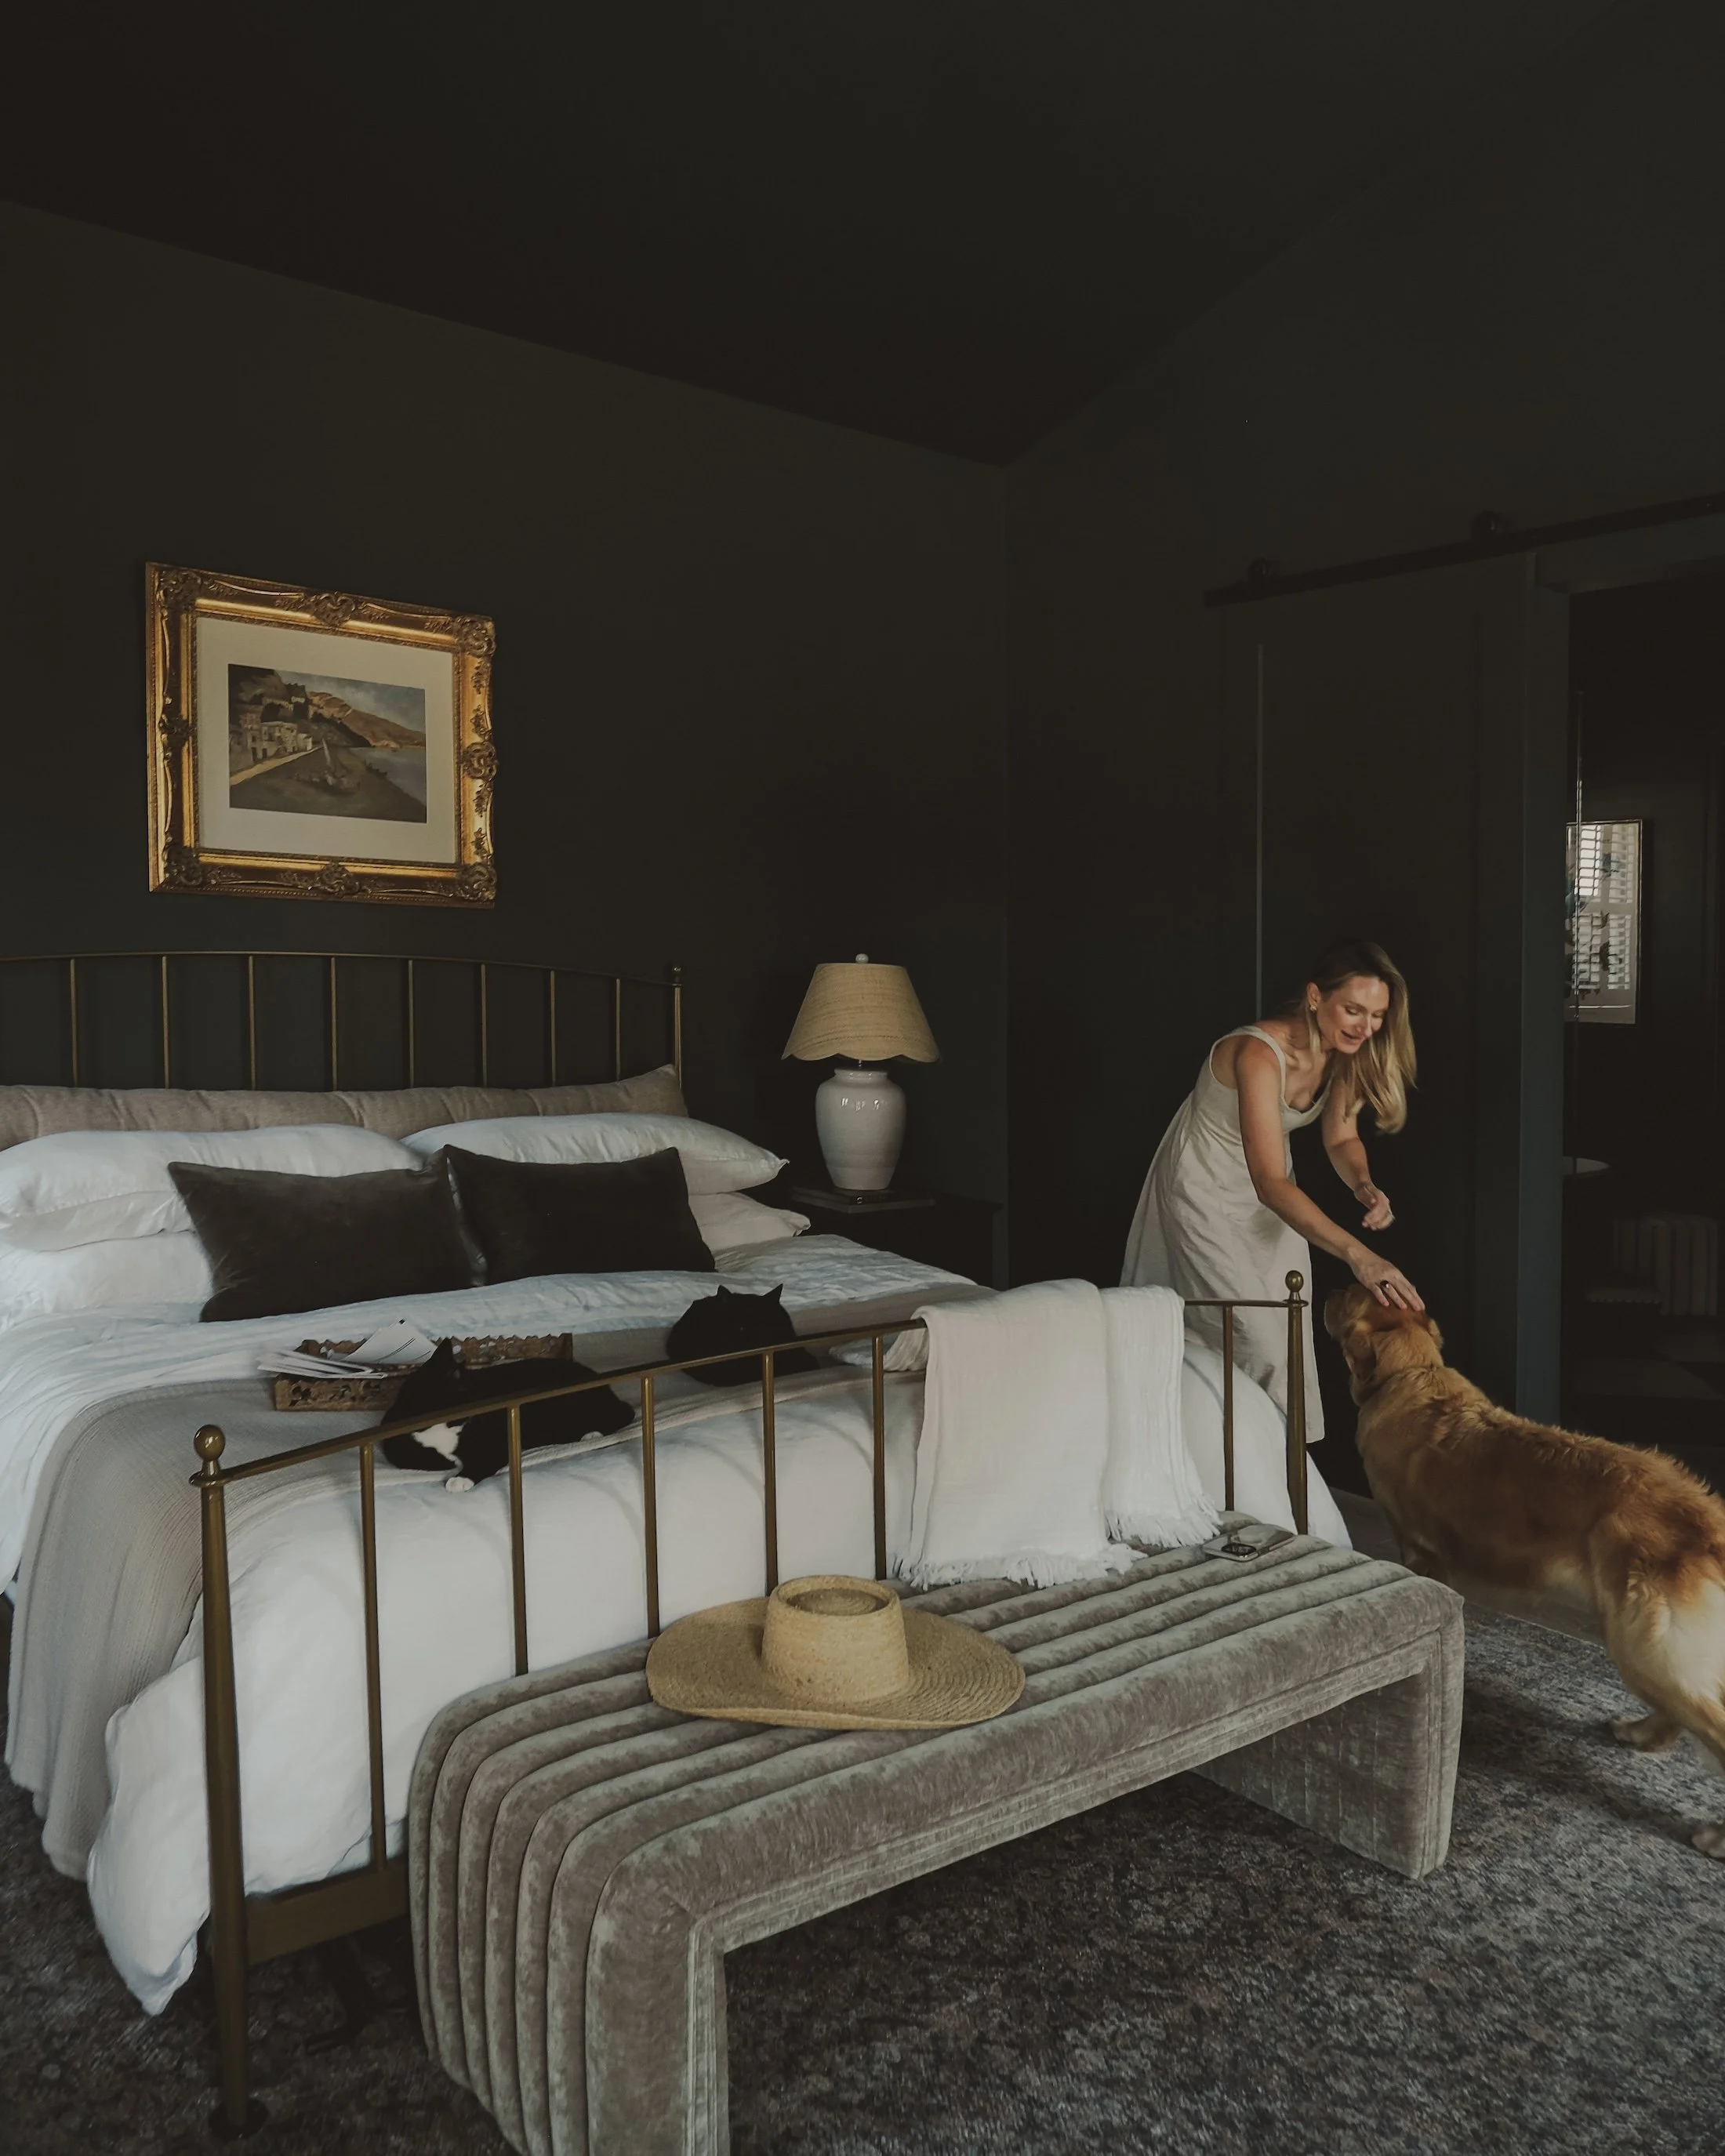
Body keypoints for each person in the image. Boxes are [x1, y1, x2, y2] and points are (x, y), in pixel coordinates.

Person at [1122, 938, 1422, 1443]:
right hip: (1207, 1188)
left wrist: (1364, 1186)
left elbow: (1341, 1137)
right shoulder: (1258, 1053)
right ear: (1313, 997)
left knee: (1283, 1335)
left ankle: (1274, 1477)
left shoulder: (1347, 1052)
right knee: (1240, 1334)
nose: (1365, 1027)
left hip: (1274, 1196)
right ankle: (1212, 1460)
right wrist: (1359, 1255)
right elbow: (1268, 1183)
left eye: (1376, 1015)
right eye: (1353, 1010)